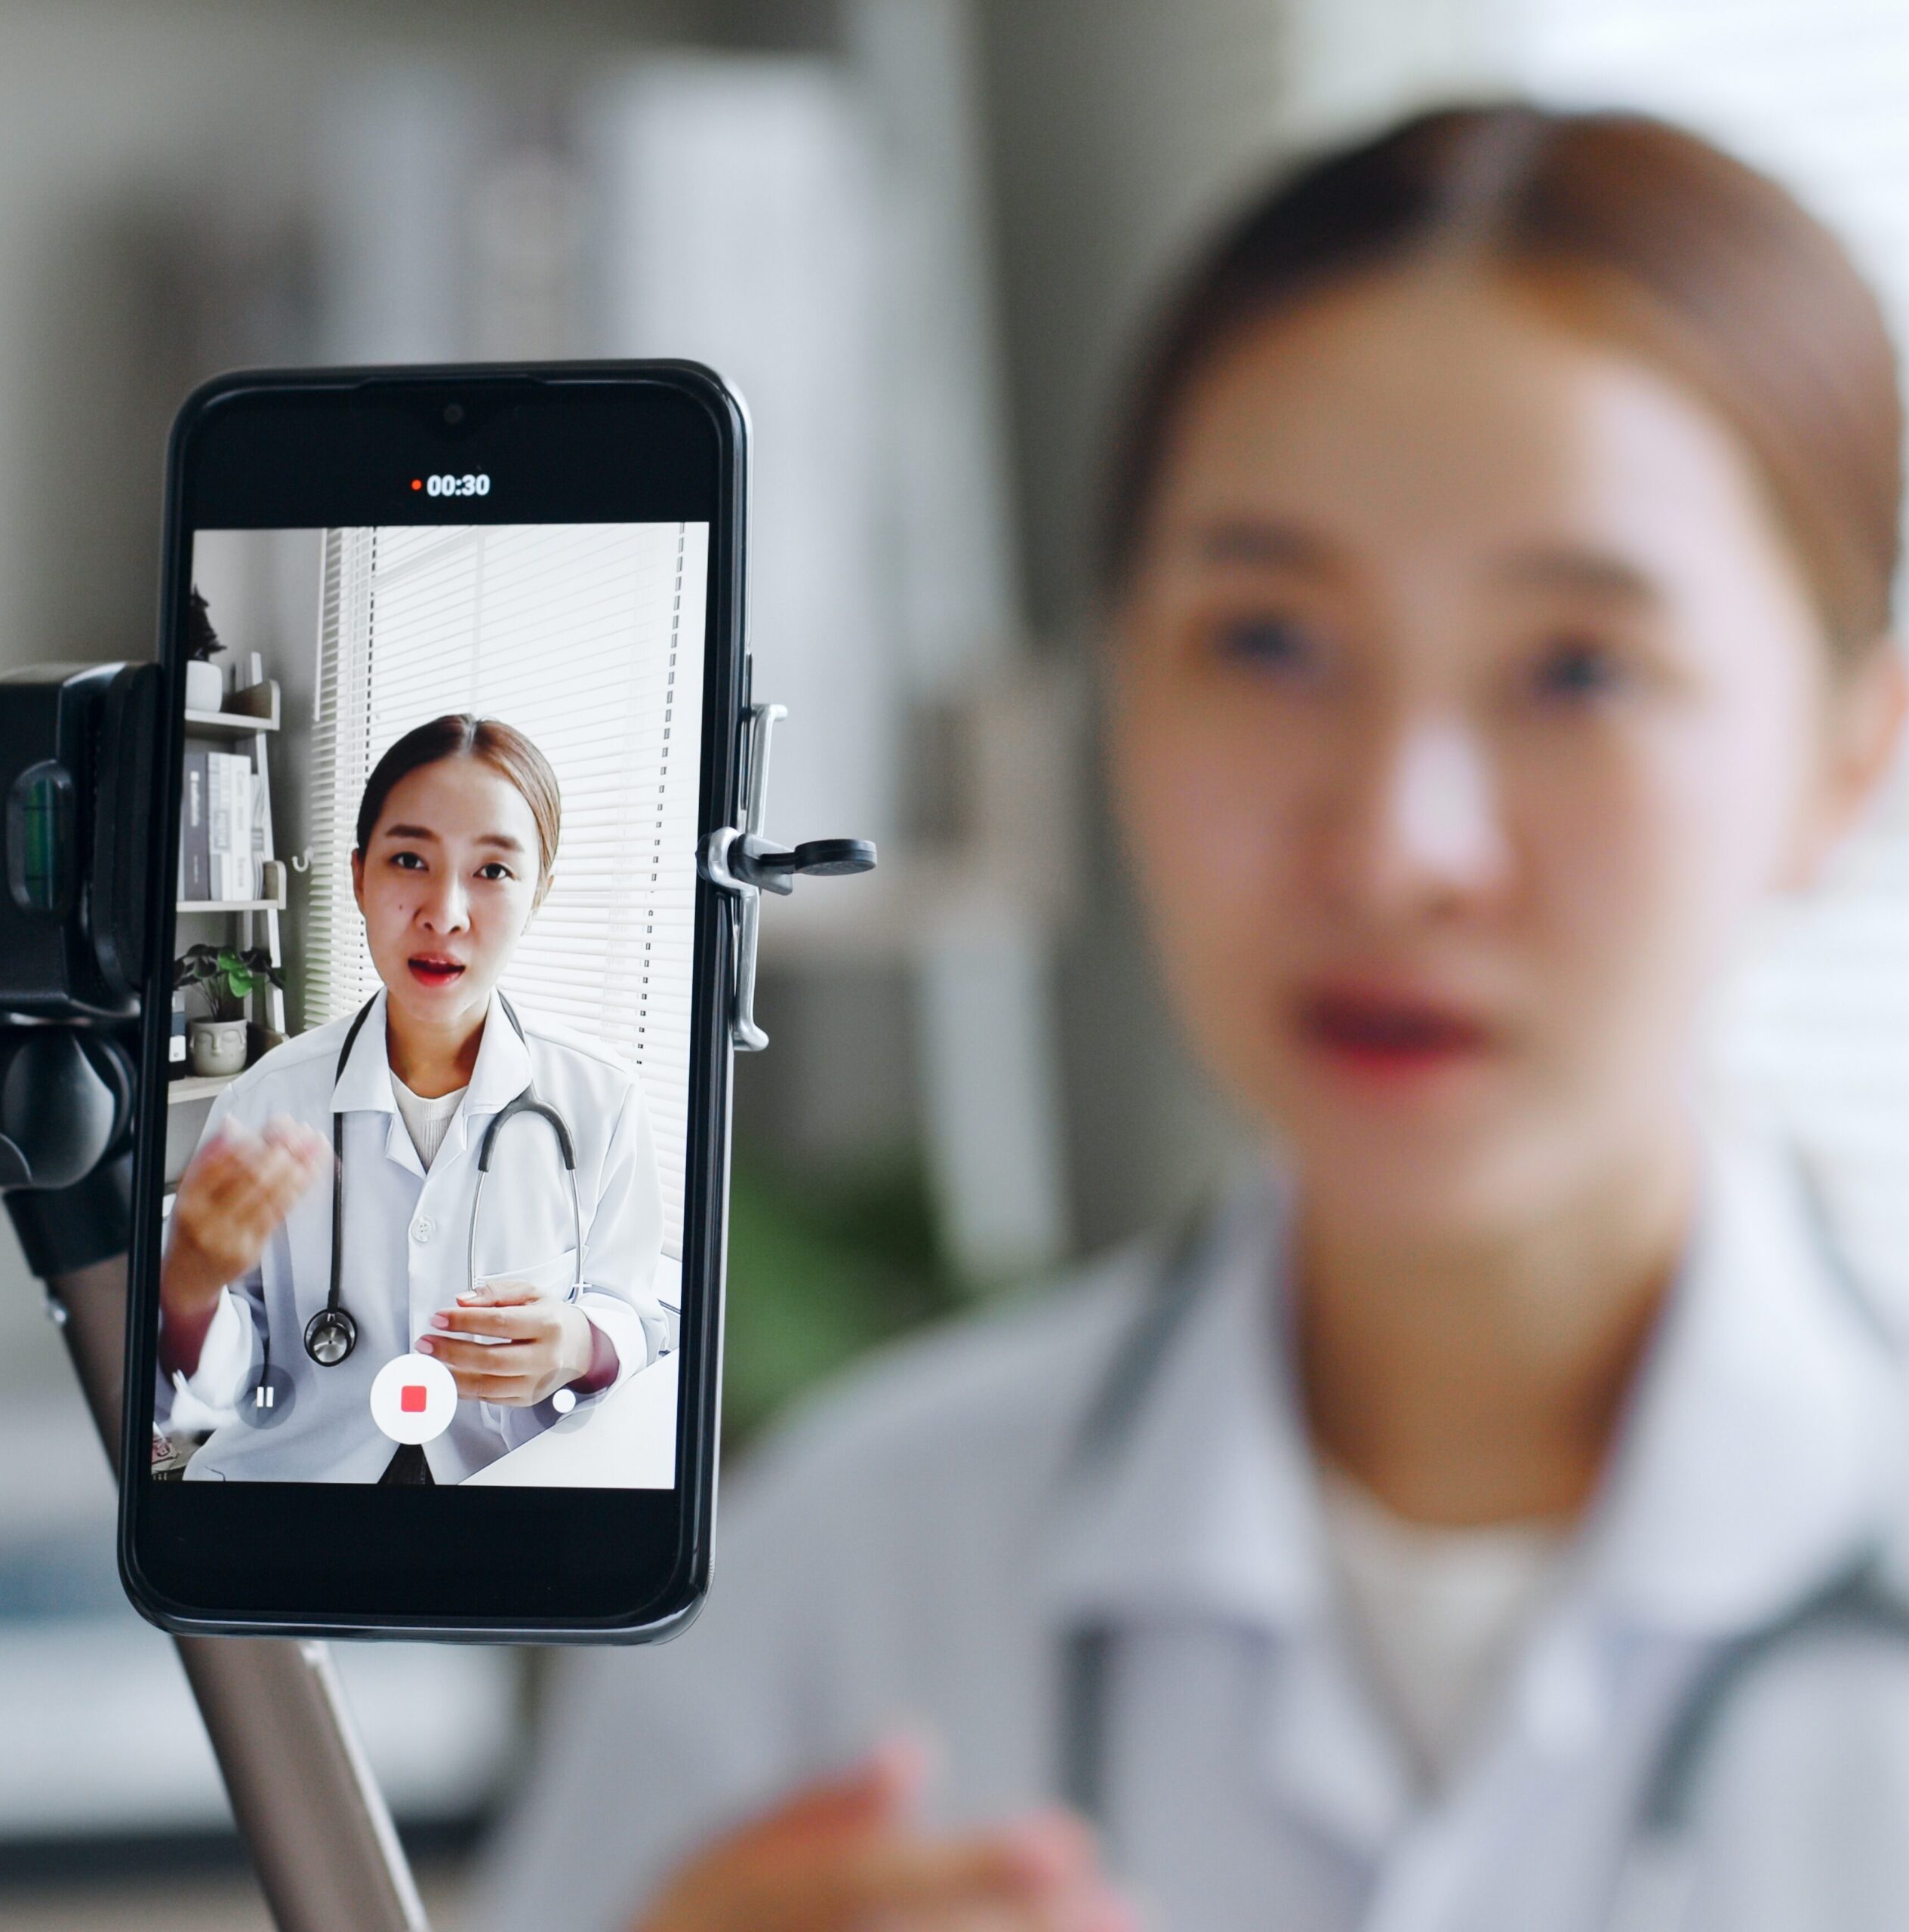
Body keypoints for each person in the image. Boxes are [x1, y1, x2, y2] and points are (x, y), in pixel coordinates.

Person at [475, 104, 1909, 1930]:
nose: (1399, 845)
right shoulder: (828, 1577)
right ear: (1114, 688)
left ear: (1844, 762)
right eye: (1267, 640)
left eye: (1576, 669)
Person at [161, 712, 668, 1483]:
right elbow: (224, 1389)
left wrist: (581, 1345)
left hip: (509, 1494)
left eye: (493, 871)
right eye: (409, 859)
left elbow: (634, 1316)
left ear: (540, 893)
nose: (446, 913)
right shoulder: (268, 1097)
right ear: (360, 876)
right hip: (297, 1500)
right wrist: (191, 1286)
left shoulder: (601, 1099)